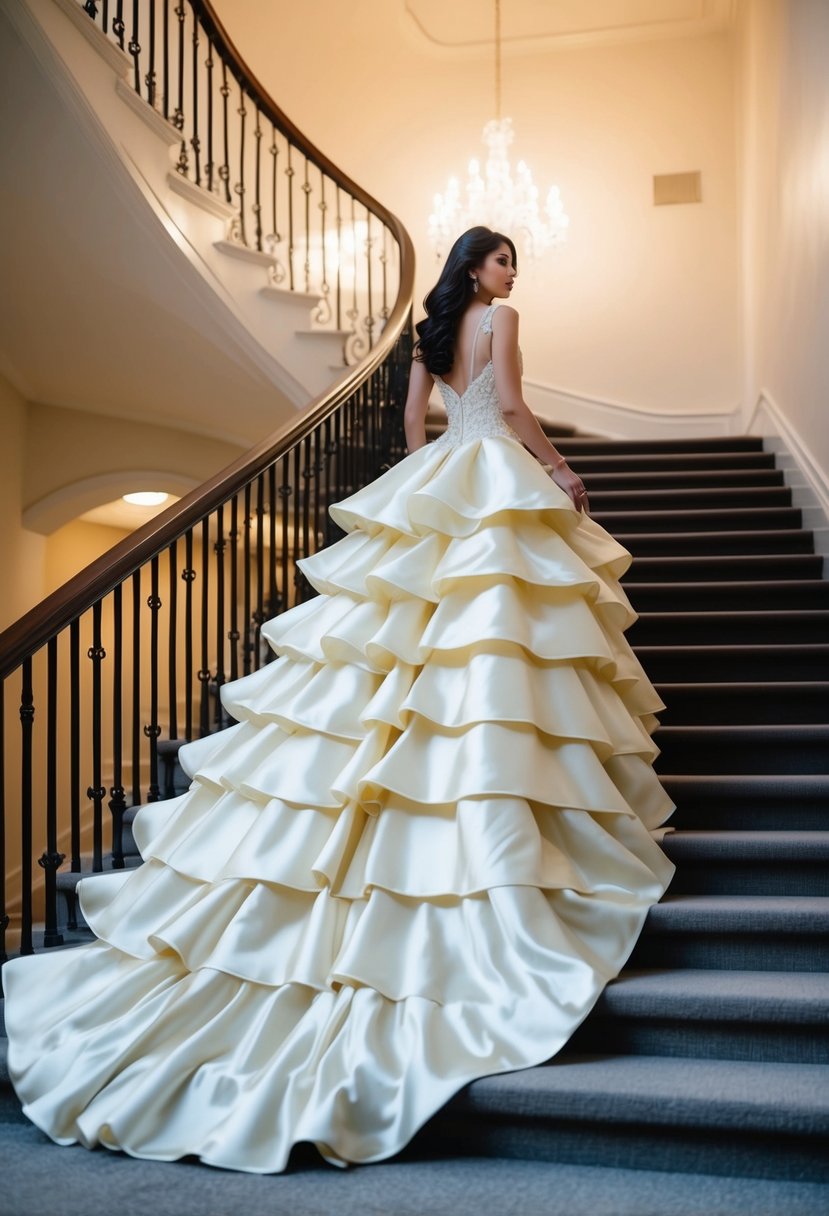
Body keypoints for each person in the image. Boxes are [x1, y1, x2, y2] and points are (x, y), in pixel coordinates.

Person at [3, 226, 675, 1174]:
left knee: (399, 651)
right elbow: (515, 404)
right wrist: (559, 470)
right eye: (500, 260)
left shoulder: (429, 338)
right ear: (476, 270)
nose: (512, 273)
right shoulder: (506, 321)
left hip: (440, 473)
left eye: (513, 262)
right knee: (494, 645)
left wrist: (426, 478)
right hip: (491, 473)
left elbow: (411, 430)